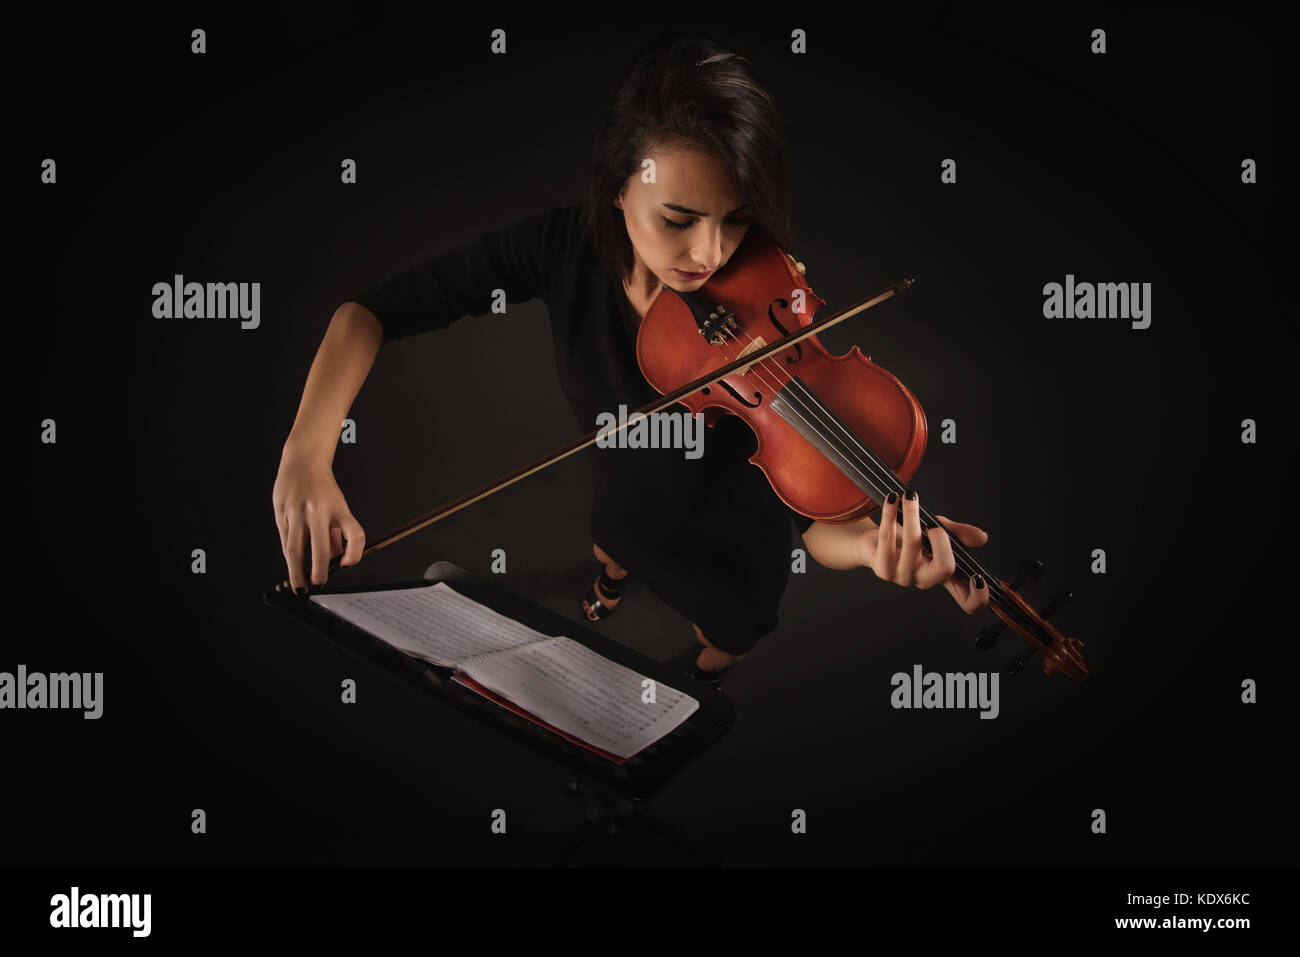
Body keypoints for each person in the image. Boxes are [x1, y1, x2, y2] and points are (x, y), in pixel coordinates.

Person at [272, 32, 991, 687]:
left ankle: (698, 670)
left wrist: (871, 548)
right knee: (611, 548)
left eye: (736, 220)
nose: (710, 255)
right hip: (623, 507)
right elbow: (369, 312)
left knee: (719, 645)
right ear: (618, 188)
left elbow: (814, 518)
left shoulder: (768, 303)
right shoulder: (562, 249)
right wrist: (308, 447)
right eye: (678, 220)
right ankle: (609, 583)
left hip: (729, 561)